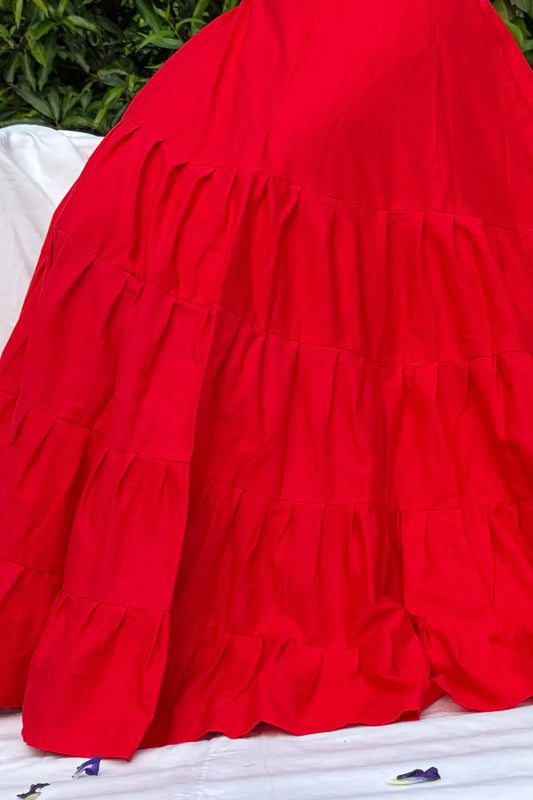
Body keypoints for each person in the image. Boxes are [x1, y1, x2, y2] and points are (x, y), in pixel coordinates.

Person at [0, 0, 532, 760]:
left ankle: (293, 593)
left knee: (359, 270)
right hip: (288, 30)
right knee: (164, 210)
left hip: (409, 39)